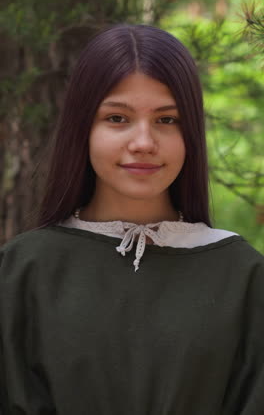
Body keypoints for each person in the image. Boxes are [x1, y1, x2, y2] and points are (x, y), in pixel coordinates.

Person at [0, 23, 263, 415]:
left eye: (167, 120)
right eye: (118, 119)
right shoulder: (21, 271)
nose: (143, 142)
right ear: (82, 128)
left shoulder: (244, 276)